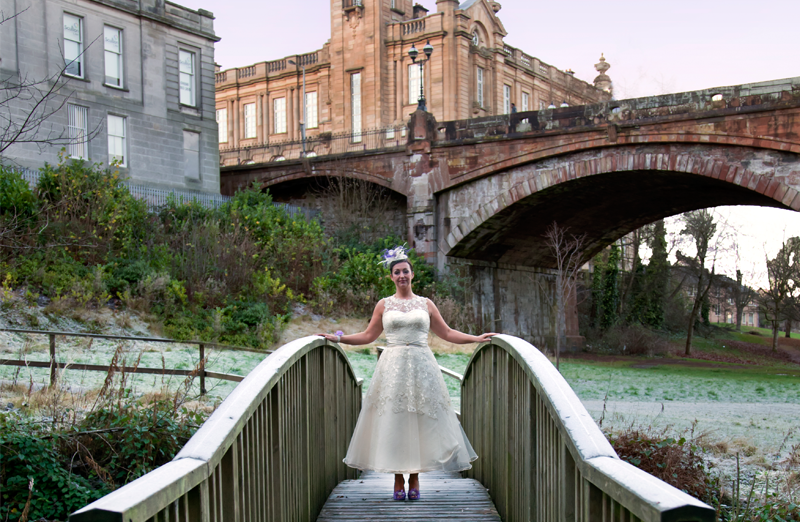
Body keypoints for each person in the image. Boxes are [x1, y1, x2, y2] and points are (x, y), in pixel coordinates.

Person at [318, 246, 497, 501]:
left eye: (405, 271)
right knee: (395, 422)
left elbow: (447, 333)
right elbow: (368, 335)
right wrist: (339, 338)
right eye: (397, 272)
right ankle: (396, 478)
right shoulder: (384, 304)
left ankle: (414, 476)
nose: (402, 275)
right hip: (392, 368)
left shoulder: (426, 304)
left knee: (420, 422)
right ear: (391, 277)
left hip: (422, 367)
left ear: (413, 275)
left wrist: (476, 338)